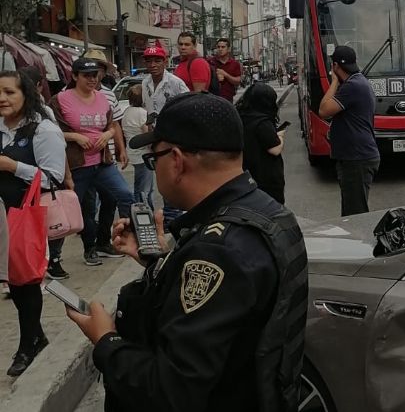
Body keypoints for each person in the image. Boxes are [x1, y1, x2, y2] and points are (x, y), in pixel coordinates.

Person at [66, 93, 308, 412]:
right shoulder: (269, 213)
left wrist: (106, 341)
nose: (155, 168)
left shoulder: (216, 249)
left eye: (155, 159)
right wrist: (159, 262)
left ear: (177, 161)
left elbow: (171, 391)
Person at [0, 70, 66, 376]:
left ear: (26, 94)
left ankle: (28, 345)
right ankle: (36, 336)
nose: (2, 98)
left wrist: (13, 166)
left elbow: (52, 177)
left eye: (9, 92)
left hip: (24, 217)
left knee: (23, 282)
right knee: (13, 283)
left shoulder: (43, 130)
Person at [47, 58, 134, 269]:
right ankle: (57, 258)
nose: (92, 79)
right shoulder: (60, 100)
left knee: (124, 195)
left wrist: (109, 135)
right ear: (75, 76)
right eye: (86, 75)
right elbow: (48, 131)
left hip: (102, 162)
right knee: (72, 210)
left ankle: (123, 237)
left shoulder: (103, 98)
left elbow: (113, 124)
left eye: (95, 75)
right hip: (76, 165)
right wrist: (74, 137)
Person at [318, 46, 380, 216]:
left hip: (357, 159)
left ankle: (358, 242)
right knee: (353, 209)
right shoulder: (358, 81)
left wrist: (334, 82)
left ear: (335, 66)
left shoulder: (352, 86)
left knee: (355, 215)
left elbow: (323, 110)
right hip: (357, 157)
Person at [82, 49, 128, 260]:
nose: (94, 74)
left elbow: (115, 123)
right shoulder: (66, 95)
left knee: (113, 199)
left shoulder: (108, 93)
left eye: (98, 69)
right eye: (89, 69)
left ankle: (103, 241)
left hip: (106, 158)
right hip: (82, 161)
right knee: (88, 205)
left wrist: (121, 149)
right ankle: (89, 246)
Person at [141, 42, 189, 226]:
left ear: (164, 61)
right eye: (149, 61)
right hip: (156, 138)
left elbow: (187, 106)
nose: (152, 64)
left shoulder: (176, 83)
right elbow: (149, 110)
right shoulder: (145, 83)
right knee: (162, 177)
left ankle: (176, 216)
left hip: (175, 137)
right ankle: (171, 217)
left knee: (175, 175)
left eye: (156, 60)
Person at [236, 83, 286, 204]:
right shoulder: (262, 122)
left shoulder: (239, 116)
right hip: (266, 180)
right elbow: (275, 149)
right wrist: (280, 136)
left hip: (246, 177)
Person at [122, 85, 154, 208]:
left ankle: (139, 209)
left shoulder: (127, 111)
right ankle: (144, 212)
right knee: (144, 190)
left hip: (133, 153)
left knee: (140, 186)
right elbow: (147, 134)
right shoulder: (142, 113)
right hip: (143, 155)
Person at [209, 38, 242, 103]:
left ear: (229, 49)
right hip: (213, 98)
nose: (220, 49)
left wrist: (226, 75)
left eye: (223, 47)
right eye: (218, 47)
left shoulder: (235, 64)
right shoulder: (210, 62)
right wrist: (215, 78)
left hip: (228, 98)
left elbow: (238, 81)